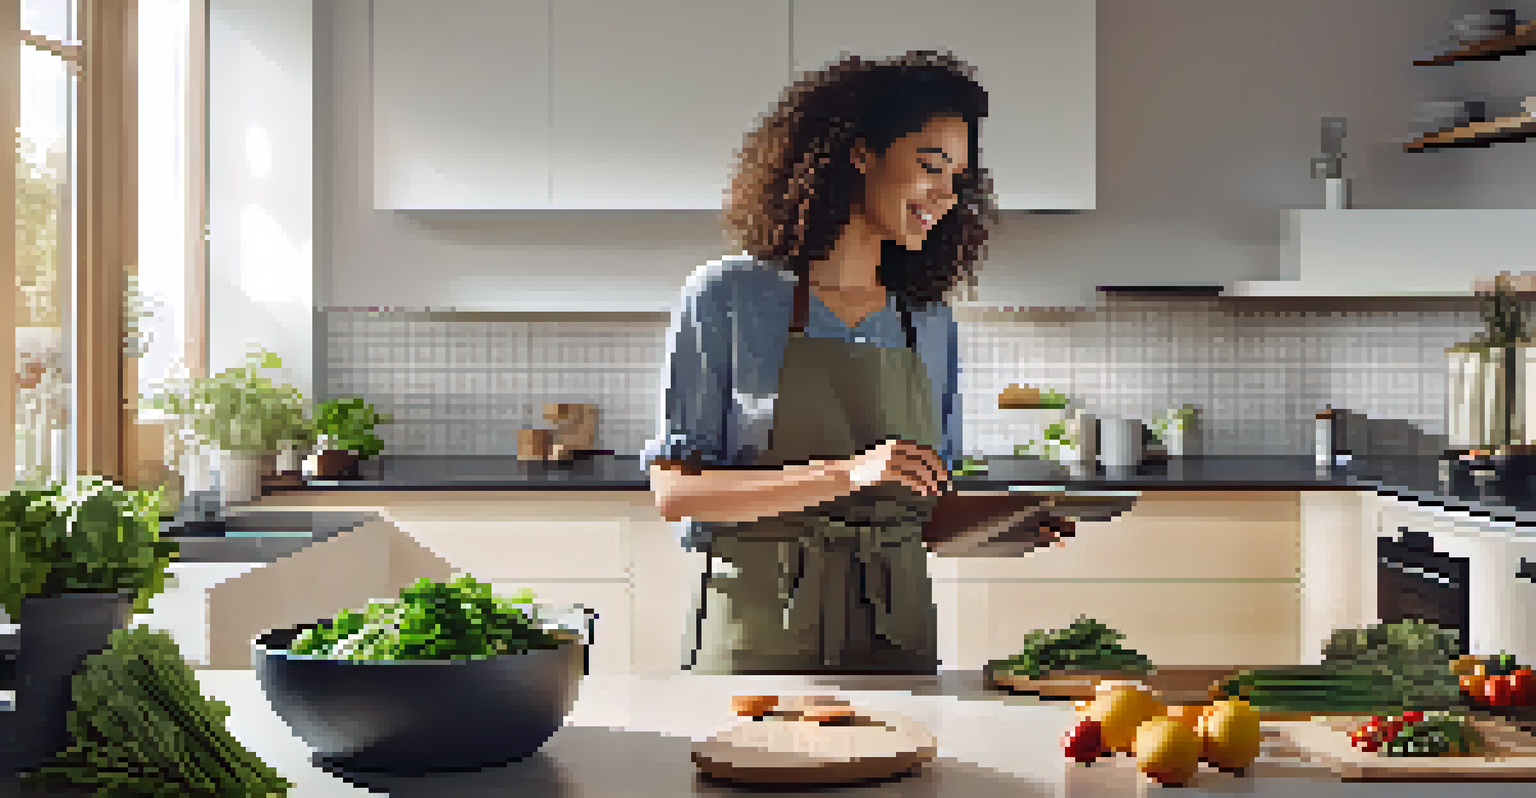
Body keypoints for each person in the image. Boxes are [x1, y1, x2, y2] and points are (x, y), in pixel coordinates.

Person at [642, 50, 1072, 676]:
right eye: (931, 166)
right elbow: (677, 492)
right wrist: (847, 473)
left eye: (959, 180)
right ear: (859, 151)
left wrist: (1006, 523)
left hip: (893, 639)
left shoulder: (928, 321)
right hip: (759, 631)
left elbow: (922, 509)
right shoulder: (728, 296)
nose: (945, 196)